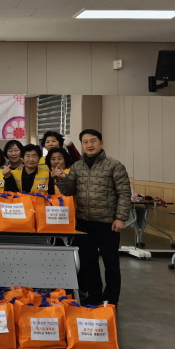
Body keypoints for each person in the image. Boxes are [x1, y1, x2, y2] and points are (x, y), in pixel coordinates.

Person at [53, 129, 131, 306]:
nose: (89, 145)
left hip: (107, 223)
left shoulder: (114, 165)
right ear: (81, 145)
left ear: (101, 143)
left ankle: (111, 298)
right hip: (83, 223)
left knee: (111, 263)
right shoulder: (77, 166)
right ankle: (94, 295)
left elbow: (124, 193)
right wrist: (62, 178)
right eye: (85, 142)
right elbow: (69, 191)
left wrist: (120, 218)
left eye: (93, 141)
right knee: (89, 262)